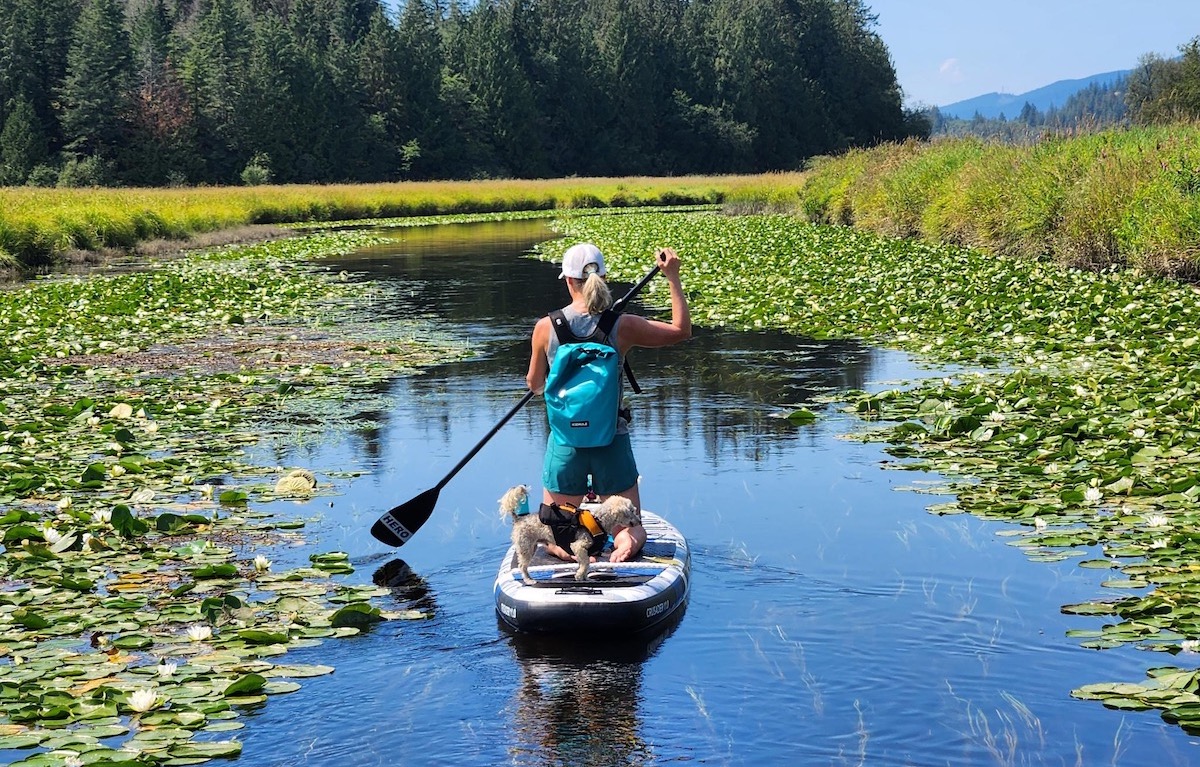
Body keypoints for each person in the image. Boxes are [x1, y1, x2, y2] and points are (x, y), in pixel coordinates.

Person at [526, 242, 691, 563]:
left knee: (553, 530)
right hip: (611, 440)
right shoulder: (623, 326)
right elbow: (680, 331)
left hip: (565, 444)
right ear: (603, 277)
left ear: (568, 280)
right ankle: (626, 542)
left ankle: (566, 547)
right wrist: (672, 277)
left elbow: (534, 386)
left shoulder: (545, 327)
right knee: (630, 525)